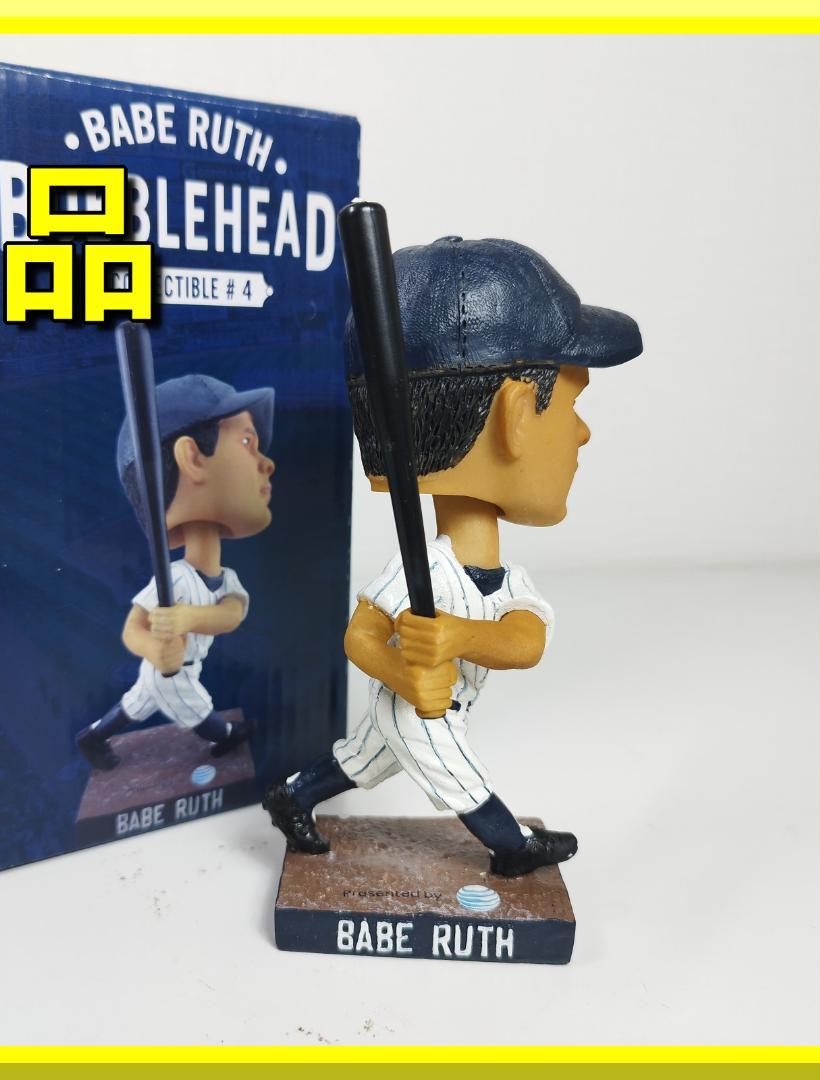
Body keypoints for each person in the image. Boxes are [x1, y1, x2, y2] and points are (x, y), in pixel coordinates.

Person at [264, 235, 642, 877]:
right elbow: (360, 637)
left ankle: (292, 797)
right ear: (515, 417)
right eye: (572, 404)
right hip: (420, 705)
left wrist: (456, 637)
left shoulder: (500, 578)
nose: (582, 432)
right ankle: (513, 848)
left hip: (429, 692)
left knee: (362, 760)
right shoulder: (429, 569)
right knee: (455, 769)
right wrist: (404, 672)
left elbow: (526, 641)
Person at [77, 374, 275, 770]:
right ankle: (227, 737)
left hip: (173, 666)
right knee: (197, 707)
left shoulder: (224, 578)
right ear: (192, 458)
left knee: (134, 704)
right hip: (172, 671)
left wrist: (188, 618)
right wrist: (153, 649)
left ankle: (92, 737)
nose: (267, 463)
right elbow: (133, 628)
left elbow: (232, 613)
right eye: (247, 442)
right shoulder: (177, 577)